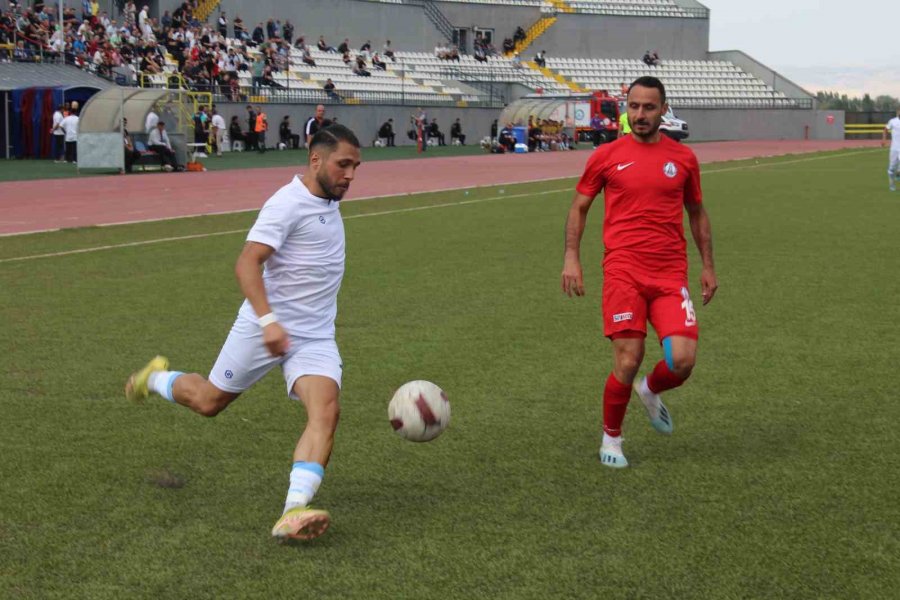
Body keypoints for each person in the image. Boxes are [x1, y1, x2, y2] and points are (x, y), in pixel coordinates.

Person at [124, 124, 363, 541]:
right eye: (343, 164)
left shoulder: (327, 199)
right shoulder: (286, 204)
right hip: (263, 327)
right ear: (315, 160)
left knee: (326, 411)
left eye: (356, 167)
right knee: (208, 401)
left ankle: (294, 511)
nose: (350, 175)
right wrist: (269, 322)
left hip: (315, 336)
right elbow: (246, 263)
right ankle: (155, 378)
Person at [561, 76, 718, 469]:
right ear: (625, 109)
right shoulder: (606, 156)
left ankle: (649, 389)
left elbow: (696, 212)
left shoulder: (682, 159)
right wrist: (571, 257)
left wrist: (708, 266)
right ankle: (611, 439)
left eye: (649, 107)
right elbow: (579, 207)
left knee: (682, 363)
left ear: (664, 110)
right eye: (634, 107)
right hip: (623, 271)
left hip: (669, 274)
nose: (640, 114)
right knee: (628, 358)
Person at [882, 107, 900, 191]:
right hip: (894, 149)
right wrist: (884, 140)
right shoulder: (892, 121)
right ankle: (892, 185)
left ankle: (899, 173)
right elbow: (885, 129)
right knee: (891, 169)